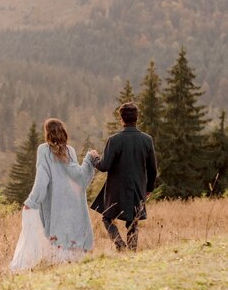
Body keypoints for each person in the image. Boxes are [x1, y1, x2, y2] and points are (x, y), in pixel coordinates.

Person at [9, 118, 95, 272]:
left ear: (48, 134)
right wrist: (89, 159)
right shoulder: (71, 151)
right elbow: (79, 178)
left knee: (58, 244)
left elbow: (42, 179)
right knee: (72, 252)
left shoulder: (44, 150)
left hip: (56, 205)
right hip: (72, 205)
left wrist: (33, 201)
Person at [90, 102, 157, 251]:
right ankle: (132, 250)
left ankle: (120, 246)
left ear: (121, 119)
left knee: (107, 218)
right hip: (137, 187)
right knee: (133, 221)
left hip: (116, 189)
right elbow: (153, 169)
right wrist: (148, 189)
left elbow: (104, 166)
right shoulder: (147, 140)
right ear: (136, 118)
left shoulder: (114, 140)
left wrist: (94, 158)